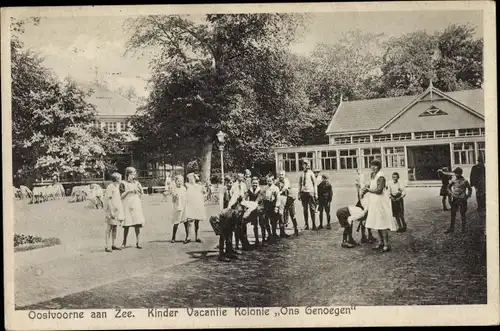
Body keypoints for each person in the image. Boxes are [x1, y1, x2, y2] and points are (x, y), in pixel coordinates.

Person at [362, 159, 398, 253]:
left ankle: (386, 244)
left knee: (382, 222)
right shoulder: (372, 175)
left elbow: (379, 191)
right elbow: (371, 185)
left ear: (379, 167)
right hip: (374, 201)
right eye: (372, 165)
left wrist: (368, 190)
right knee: (377, 222)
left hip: (380, 202)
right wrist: (366, 187)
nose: (373, 167)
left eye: (375, 166)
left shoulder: (381, 176)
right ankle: (380, 242)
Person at [120, 167, 145, 249]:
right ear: (127, 174)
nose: (133, 176)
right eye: (131, 174)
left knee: (137, 223)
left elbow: (141, 194)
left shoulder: (137, 183)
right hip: (127, 204)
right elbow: (121, 196)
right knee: (127, 224)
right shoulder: (123, 183)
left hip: (135, 204)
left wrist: (137, 191)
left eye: (134, 174)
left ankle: (138, 242)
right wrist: (128, 191)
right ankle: (124, 242)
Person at [446, 167, 473, 233]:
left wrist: (467, 196)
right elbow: (448, 187)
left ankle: (463, 229)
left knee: (462, 213)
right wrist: (451, 193)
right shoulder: (454, 181)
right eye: (455, 173)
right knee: (453, 213)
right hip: (455, 198)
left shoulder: (465, 181)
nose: (455, 174)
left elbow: (470, 189)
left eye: (457, 173)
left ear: (460, 173)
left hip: (462, 199)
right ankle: (451, 228)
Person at [104, 173, 124, 252]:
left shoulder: (117, 187)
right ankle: (107, 245)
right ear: (117, 179)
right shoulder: (110, 187)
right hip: (111, 210)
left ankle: (113, 244)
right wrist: (111, 211)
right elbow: (108, 200)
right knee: (109, 228)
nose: (121, 180)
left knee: (115, 227)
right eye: (120, 178)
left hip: (117, 210)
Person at [185, 173, 206, 243]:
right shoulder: (187, 186)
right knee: (190, 221)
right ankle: (188, 237)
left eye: (192, 179)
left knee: (197, 221)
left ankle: (198, 237)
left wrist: (204, 191)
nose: (191, 180)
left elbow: (204, 193)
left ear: (195, 179)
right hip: (190, 205)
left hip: (197, 205)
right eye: (189, 179)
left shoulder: (199, 186)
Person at [277, 170, 299, 236]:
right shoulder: (277, 182)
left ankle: (296, 229)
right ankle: (282, 232)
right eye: (280, 175)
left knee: (292, 215)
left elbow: (285, 187)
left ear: (284, 175)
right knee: (281, 215)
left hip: (290, 200)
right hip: (283, 201)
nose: (281, 176)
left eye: (282, 175)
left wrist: (279, 192)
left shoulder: (286, 180)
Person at [246, 177, 267, 245]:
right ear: (251, 183)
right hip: (253, 209)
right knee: (255, 225)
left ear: (258, 183)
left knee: (262, 224)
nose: (254, 184)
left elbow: (259, 198)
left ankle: (263, 239)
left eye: (256, 183)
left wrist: (254, 203)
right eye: (253, 183)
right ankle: (256, 240)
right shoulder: (249, 190)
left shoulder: (261, 190)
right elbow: (245, 196)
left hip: (260, 209)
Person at [170, 175, 190, 243]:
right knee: (176, 223)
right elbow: (173, 200)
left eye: (181, 181)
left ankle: (187, 237)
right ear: (175, 182)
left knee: (185, 222)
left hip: (184, 207)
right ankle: (173, 237)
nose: (180, 182)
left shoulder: (184, 188)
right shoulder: (174, 189)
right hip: (177, 208)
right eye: (178, 181)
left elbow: (186, 198)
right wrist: (175, 196)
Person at [298, 159, 317, 230]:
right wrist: (299, 193)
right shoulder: (301, 174)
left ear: (307, 165)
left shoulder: (311, 173)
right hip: (303, 193)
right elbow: (299, 184)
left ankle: (314, 224)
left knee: (312, 209)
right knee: (305, 209)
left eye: (305, 164)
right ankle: (306, 224)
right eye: (303, 164)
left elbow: (315, 183)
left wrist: (316, 193)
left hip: (310, 192)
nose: (303, 166)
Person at [263, 175, 281, 240]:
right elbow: (262, 197)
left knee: (273, 221)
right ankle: (269, 234)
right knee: (266, 221)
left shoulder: (276, 188)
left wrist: (276, 207)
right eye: (268, 181)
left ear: (273, 181)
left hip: (273, 205)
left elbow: (278, 198)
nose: (269, 182)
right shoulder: (264, 188)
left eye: (270, 181)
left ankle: (274, 233)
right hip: (266, 205)